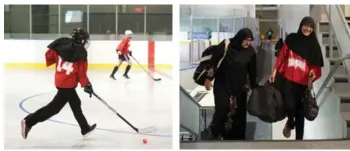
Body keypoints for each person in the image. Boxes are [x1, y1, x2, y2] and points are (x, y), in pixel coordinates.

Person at [21, 28, 97, 139]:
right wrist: (87, 85)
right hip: (68, 85)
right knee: (54, 109)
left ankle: (85, 128)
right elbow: (81, 73)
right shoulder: (80, 52)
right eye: (85, 39)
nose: (86, 41)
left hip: (60, 80)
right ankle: (28, 122)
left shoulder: (62, 44)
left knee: (75, 103)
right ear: (81, 40)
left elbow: (49, 55)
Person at [269, 16, 324, 140]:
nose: (308, 29)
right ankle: (290, 122)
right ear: (301, 25)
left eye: (311, 27)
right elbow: (282, 56)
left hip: (303, 84)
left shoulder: (314, 46)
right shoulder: (292, 39)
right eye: (306, 25)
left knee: (300, 113)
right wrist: (274, 71)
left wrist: (313, 73)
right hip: (288, 81)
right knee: (289, 106)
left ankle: (299, 141)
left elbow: (316, 66)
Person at [204, 28, 257, 140]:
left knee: (239, 113)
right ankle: (215, 132)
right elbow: (213, 62)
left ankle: (237, 138)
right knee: (222, 108)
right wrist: (208, 79)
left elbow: (252, 71)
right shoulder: (226, 45)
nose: (248, 42)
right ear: (240, 38)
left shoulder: (251, 52)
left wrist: (254, 87)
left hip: (240, 87)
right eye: (246, 40)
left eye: (250, 40)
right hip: (223, 84)